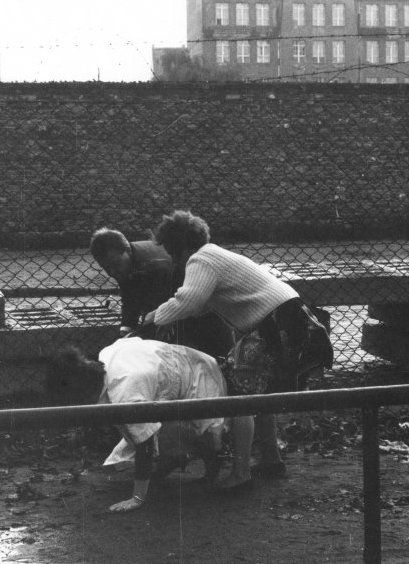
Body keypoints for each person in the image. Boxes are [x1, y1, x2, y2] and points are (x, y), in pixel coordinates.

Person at [144, 210, 333, 494]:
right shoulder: (215, 254)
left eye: (173, 251)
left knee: (239, 394)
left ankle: (241, 475)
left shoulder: (201, 258)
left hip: (275, 324)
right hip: (290, 319)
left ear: (183, 245)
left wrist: (154, 317)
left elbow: (191, 301)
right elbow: (208, 303)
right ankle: (271, 460)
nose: (174, 260)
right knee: (258, 394)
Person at [46, 337, 227, 513]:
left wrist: (137, 498)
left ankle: (210, 477)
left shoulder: (127, 392)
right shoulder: (105, 356)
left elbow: (145, 443)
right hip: (171, 373)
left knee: (208, 435)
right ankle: (172, 459)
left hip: (198, 373)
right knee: (144, 428)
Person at [89, 227, 233, 358]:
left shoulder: (155, 265)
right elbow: (130, 299)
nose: (112, 272)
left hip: (202, 304)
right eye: (106, 267)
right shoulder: (124, 264)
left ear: (127, 249)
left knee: (210, 352)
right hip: (178, 302)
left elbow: (175, 305)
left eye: (115, 264)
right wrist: (125, 332)